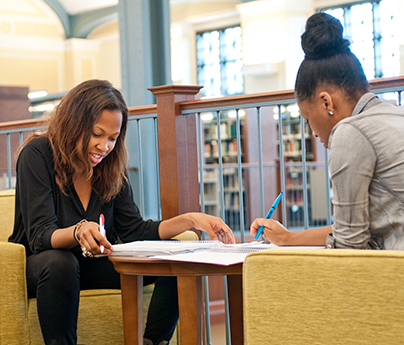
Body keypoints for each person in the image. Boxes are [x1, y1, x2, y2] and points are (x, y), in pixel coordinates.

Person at [8, 79, 235, 345]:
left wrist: (190, 220)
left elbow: (134, 230)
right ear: (74, 124)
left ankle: (153, 341)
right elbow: (40, 235)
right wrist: (79, 230)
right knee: (61, 262)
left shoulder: (111, 168)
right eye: (97, 134)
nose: (104, 147)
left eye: (113, 138)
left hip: (91, 265)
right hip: (43, 267)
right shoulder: (38, 154)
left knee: (178, 257)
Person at [250, 12, 404, 251]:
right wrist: (289, 239)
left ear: (326, 102)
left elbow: (349, 246)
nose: (313, 132)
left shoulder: (349, 132)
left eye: (307, 118)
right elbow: (357, 229)